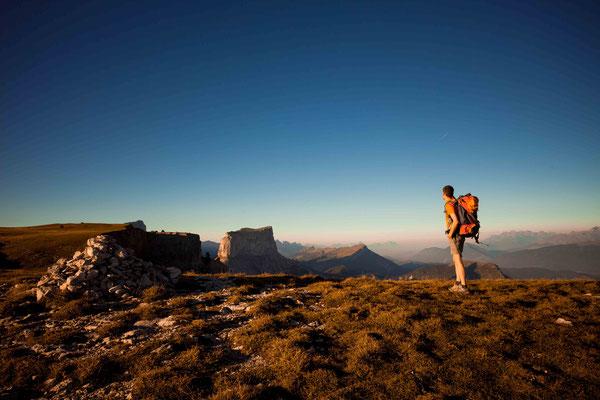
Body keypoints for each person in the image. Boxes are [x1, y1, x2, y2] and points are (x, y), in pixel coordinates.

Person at [443, 185, 470, 294]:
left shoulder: (449, 205)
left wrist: (450, 234)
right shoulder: (455, 202)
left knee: (458, 260)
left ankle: (463, 287)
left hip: (455, 235)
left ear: (444, 194)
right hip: (459, 234)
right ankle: (458, 283)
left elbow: (456, 221)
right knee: (456, 259)